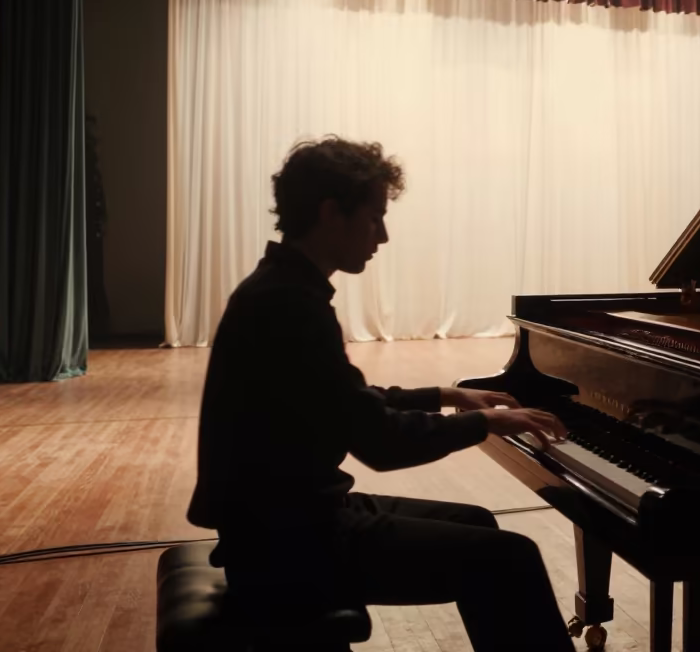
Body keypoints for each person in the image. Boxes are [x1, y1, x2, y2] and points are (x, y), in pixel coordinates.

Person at [187, 136, 576, 652]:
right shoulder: (289, 306)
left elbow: (347, 402)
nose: (384, 235)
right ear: (332, 214)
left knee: (477, 524)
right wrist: (487, 424)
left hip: (280, 520)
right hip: (287, 544)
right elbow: (380, 442)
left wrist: (447, 395)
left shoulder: (279, 289)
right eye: (375, 217)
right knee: (511, 558)